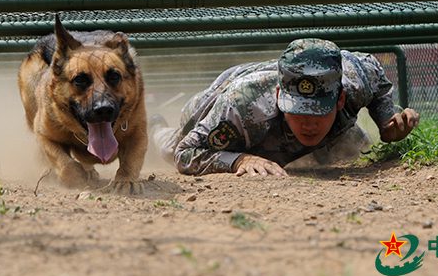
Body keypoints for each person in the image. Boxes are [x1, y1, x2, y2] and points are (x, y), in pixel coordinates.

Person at [150, 38, 420, 176]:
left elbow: (376, 74)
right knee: (168, 148)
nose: (309, 123)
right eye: (299, 110)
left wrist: (386, 122)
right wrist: (239, 160)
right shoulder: (241, 105)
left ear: (339, 100)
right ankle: (156, 126)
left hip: (311, 132)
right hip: (217, 101)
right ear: (280, 96)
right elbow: (186, 153)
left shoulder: (356, 78)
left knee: (359, 148)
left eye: (318, 111)